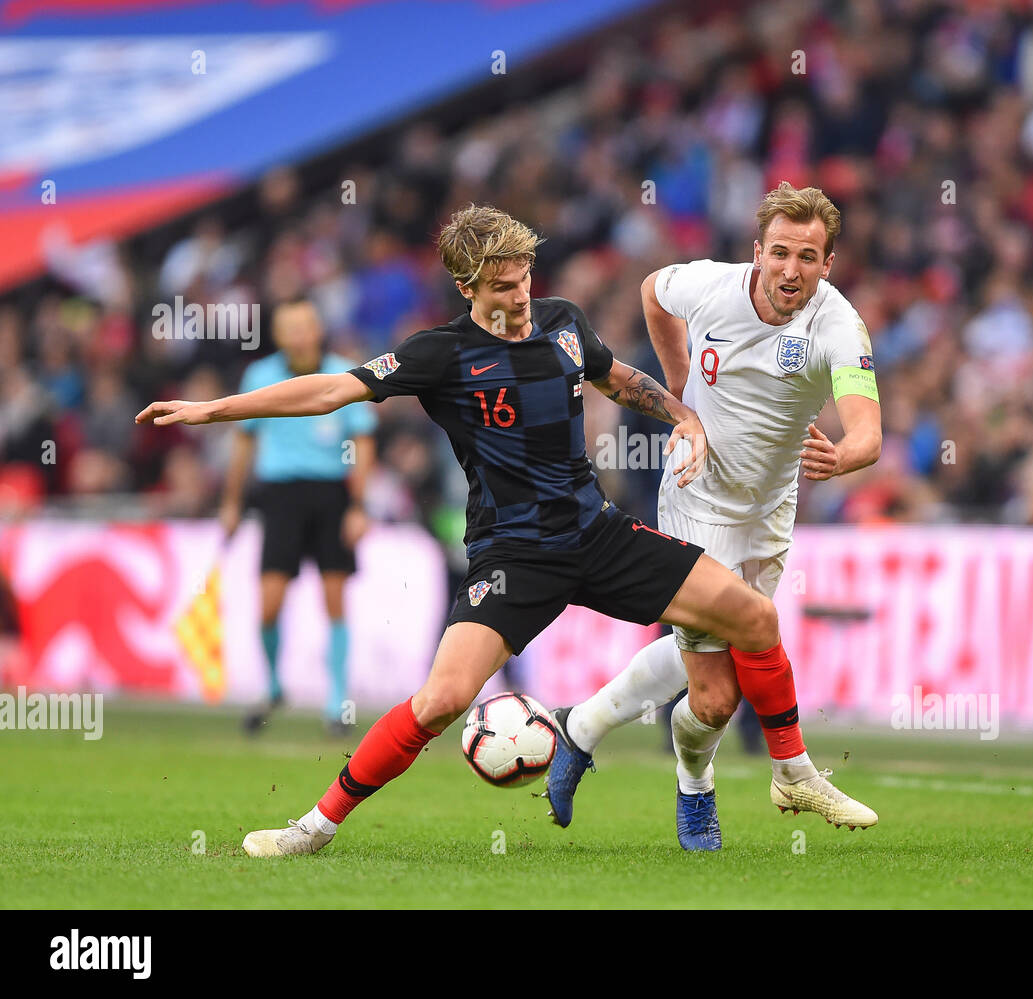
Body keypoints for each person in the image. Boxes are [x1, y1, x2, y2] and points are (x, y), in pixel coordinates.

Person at [137, 204, 816, 858]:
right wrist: (216, 410)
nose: (520, 294)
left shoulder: (565, 323)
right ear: (466, 287)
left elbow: (618, 379)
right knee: (443, 699)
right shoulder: (440, 354)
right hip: (512, 555)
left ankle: (794, 775)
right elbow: (329, 390)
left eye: (523, 278)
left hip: (599, 533)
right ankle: (313, 826)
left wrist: (684, 417)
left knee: (754, 615)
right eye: (501, 285)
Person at [545, 182, 882, 849]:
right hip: (696, 498)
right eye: (780, 252)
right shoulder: (710, 288)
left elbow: (868, 431)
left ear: (828, 264)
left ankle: (579, 726)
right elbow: (651, 290)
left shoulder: (838, 324)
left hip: (769, 509)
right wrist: (681, 396)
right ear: (757, 251)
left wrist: (844, 456)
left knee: (719, 669)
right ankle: (708, 787)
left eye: (808, 257)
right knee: (718, 696)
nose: (792, 270)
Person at [220, 299, 376, 736]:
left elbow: (362, 441)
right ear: (279, 334)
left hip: (331, 495)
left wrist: (359, 505)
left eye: (306, 326)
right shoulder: (260, 376)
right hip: (280, 497)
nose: (300, 335)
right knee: (269, 603)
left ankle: (336, 701)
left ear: (317, 329)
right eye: (290, 328)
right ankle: (272, 686)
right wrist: (231, 501)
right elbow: (244, 441)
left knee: (335, 597)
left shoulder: (345, 374)